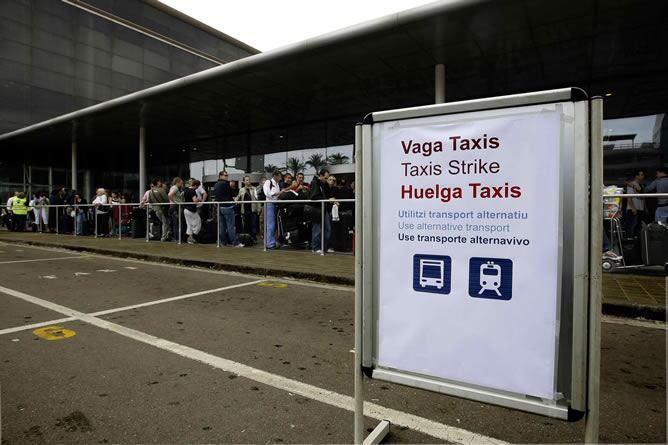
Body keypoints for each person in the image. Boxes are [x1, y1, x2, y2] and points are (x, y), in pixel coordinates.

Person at [214, 170, 244, 247]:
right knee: (231, 226)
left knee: (222, 226)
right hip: (227, 207)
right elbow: (231, 194)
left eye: (227, 175)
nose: (227, 177)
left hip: (219, 207)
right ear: (221, 176)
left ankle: (223, 242)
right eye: (225, 175)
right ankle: (235, 243)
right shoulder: (225, 184)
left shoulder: (216, 184)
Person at [308, 168, 332, 253]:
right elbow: (313, 196)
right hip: (317, 209)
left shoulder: (324, 184)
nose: (326, 180)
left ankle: (325, 247)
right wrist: (327, 199)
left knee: (327, 229)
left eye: (327, 178)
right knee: (317, 229)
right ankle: (315, 247)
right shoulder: (315, 183)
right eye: (325, 178)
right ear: (321, 176)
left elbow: (328, 195)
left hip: (324, 208)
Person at [262, 170, 283, 249]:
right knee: (271, 224)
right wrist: (280, 193)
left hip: (276, 204)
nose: (280, 178)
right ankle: (270, 244)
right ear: (275, 176)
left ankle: (272, 242)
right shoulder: (268, 182)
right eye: (280, 176)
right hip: (270, 204)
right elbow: (268, 193)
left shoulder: (277, 184)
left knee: (274, 225)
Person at [236, 175, 260, 240]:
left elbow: (257, 199)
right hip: (245, 210)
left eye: (249, 180)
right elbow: (238, 198)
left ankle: (254, 238)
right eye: (247, 180)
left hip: (253, 209)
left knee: (253, 225)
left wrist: (258, 209)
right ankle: (247, 238)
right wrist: (235, 200)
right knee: (246, 225)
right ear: (244, 182)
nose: (248, 181)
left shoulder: (254, 189)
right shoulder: (241, 190)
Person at [624, 169, 645, 237]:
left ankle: (636, 243)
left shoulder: (641, 185)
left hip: (640, 208)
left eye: (643, 175)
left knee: (637, 227)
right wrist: (633, 208)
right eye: (641, 175)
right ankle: (630, 243)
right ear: (636, 176)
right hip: (633, 209)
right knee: (631, 227)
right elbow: (629, 197)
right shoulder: (631, 184)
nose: (643, 176)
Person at [183, 179, 202, 244]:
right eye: (198, 186)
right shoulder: (193, 191)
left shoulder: (186, 190)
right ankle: (193, 237)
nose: (198, 188)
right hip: (191, 210)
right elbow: (195, 201)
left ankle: (189, 239)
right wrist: (199, 199)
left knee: (189, 225)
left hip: (185, 209)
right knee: (198, 222)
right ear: (196, 185)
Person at [168, 177, 185, 242]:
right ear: (177, 182)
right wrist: (175, 202)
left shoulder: (174, 187)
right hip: (176, 207)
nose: (182, 184)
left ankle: (177, 238)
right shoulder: (175, 188)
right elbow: (169, 195)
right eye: (181, 183)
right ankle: (177, 238)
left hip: (174, 207)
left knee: (176, 223)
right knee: (177, 223)